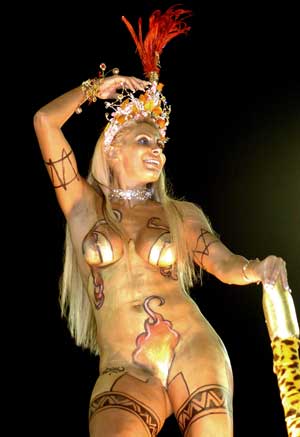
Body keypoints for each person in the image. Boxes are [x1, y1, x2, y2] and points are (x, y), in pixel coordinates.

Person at [33, 6, 290, 437]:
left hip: (192, 344)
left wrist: (256, 269)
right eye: (144, 140)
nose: (158, 151)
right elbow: (44, 122)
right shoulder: (83, 208)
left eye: (160, 143)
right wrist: (95, 88)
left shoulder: (178, 213)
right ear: (112, 149)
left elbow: (223, 264)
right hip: (125, 366)